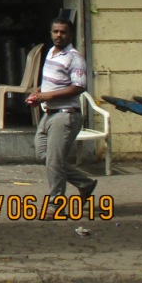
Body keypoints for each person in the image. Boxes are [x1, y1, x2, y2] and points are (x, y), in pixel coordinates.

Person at [26, 16, 98, 202]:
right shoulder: (51, 52)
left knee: (54, 161)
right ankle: (84, 183)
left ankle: (55, 204)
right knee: (43, 155)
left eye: (63, 32)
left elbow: (79, 86)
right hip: (48, 114)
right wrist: (39, 92)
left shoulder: (74, 58)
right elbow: (53, 83)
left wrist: (48, 96)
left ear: (70, 34)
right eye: (56, 31)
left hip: (65, 115)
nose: (59, 35)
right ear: (50, 33)